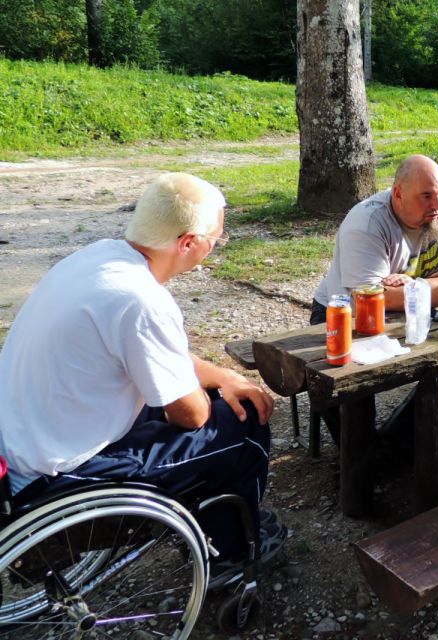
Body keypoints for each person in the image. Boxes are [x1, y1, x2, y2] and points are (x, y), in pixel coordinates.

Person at [0, 172, 285, 580]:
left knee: (221, 401)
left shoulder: (96, 258)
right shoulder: (143, 301)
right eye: (215, 240)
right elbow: (191, 417)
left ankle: (219, 524)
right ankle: (232, 555)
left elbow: (147, 352)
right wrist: (208, 392)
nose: (214, 248)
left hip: (20, 445)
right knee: (242, 424)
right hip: (52, 477)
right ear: (188, 242)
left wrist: (217, 373)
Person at [311, 154, 438, 444]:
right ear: (398, 193)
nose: (437, 206)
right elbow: (366, 298)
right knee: (344, 383)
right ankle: (361, 460)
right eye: (427, 196)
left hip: (422, 313)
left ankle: (400, 441)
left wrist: (419, 287)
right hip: (346, 316)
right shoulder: (366, 223)